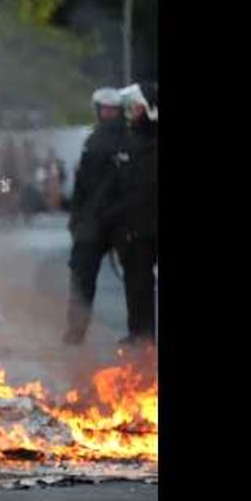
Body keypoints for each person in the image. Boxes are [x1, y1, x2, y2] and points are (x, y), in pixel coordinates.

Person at [64, 87, 125, 344]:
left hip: (120, 220)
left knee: (138, 282)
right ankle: (76, 331)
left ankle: (141, 335)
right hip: (95, 222)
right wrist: (76, 219)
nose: (109, 114)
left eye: (113, 110)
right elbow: (81, 185)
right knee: (81, 276)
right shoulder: (92, 141)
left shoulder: (128, 139)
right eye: (106, 109)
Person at [105, 82, 158, 344]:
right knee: (137, 285)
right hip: (134, 231)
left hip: (149, 224)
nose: (131, 112)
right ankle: (141, 336)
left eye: (136, 107)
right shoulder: (125, 143)